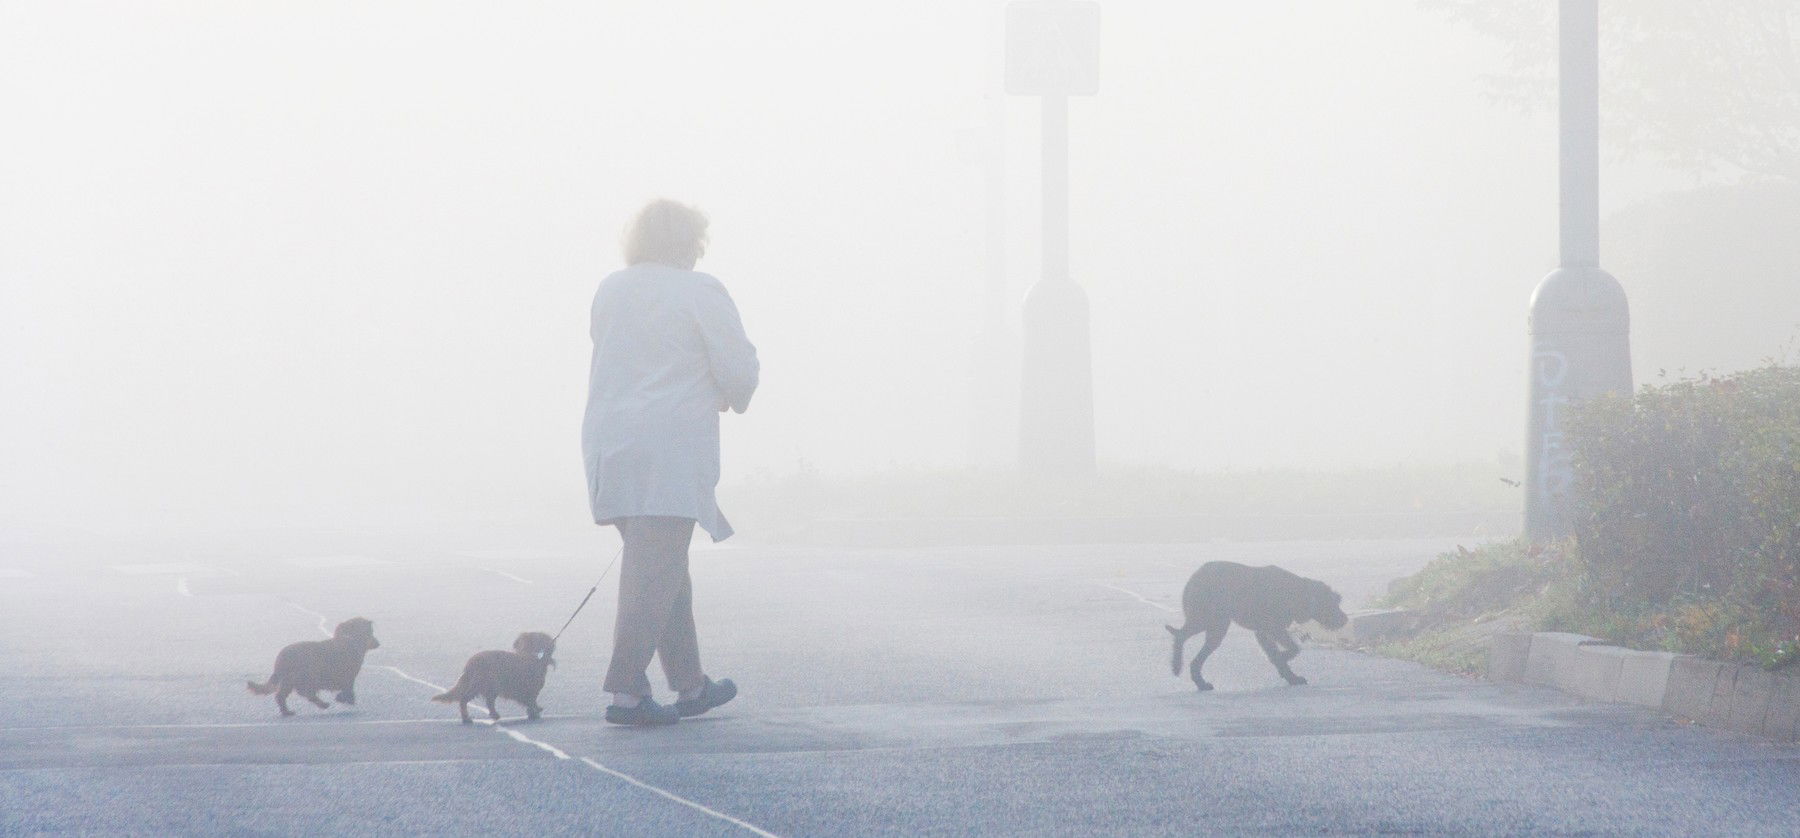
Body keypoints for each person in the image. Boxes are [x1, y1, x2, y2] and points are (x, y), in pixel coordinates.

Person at [581, 199, 759, 726]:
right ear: (691, 241)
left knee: (661, 569)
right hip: (669, 446)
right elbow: (738, 369)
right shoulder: (700, 290)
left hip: (609, 442)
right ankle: (627, 693)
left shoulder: (611, 288)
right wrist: (730, 392)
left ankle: (690, 685)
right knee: (654, 570)